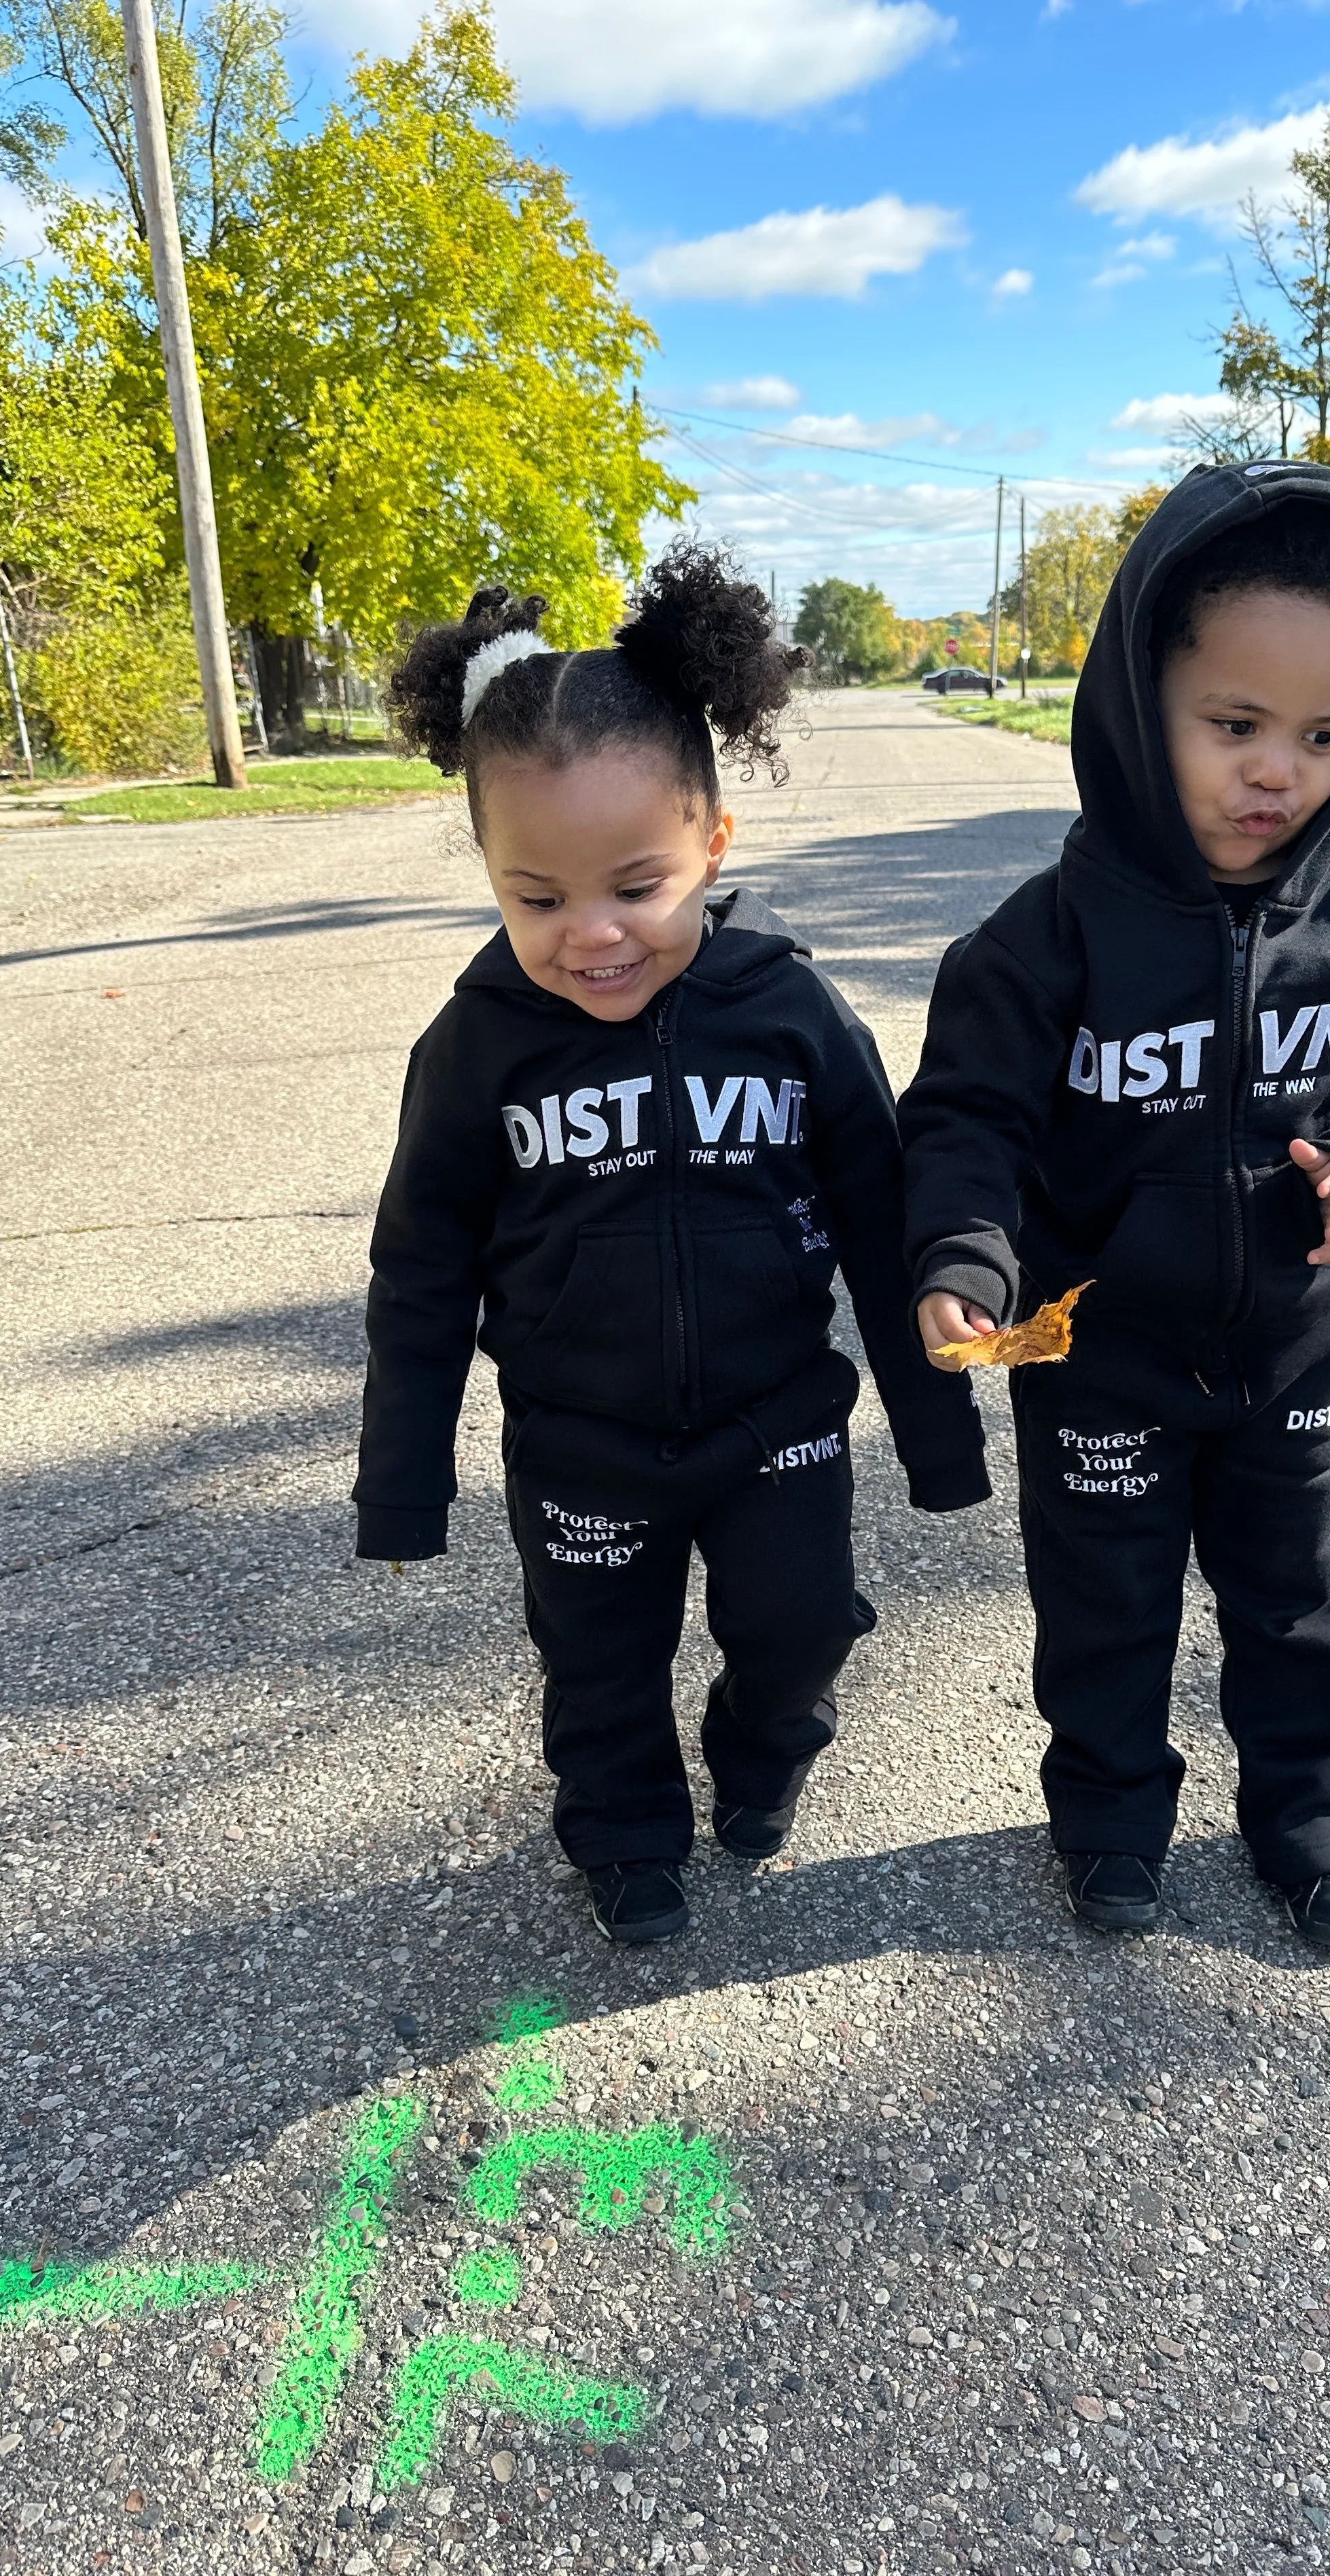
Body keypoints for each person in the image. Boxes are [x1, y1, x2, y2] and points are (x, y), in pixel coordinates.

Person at [359, 542, 989, 1945]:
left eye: (636, 885)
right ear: (488, 867)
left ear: (713, 838)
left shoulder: (793, 1016)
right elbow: (418, 1277)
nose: (591, 935)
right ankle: (628, 1833)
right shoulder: (474, 1054)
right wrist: (401, 1486)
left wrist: (940, 1444)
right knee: (597, 1667)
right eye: (536, 897)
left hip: (779, 1428)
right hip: (580, 1445)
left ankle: (766, 1755)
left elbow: (890, 1230)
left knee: (801, 1625)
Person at [902, 462, 1330, 1952]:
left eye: (1323, 734)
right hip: (1093, 1353)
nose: (1276, 770)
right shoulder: (1042, 940)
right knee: (1105, 1611)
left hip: (1294, 1347)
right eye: (1235, 725)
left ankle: (1312, 1812)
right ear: (1136, 695)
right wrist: (964, 1252)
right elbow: (965, 1116)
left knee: (1298, 1602)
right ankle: (1108, 1814)